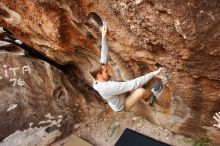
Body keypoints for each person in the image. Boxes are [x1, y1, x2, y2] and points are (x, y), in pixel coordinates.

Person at [90, 21, 164, 112]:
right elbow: (133, 84)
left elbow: (104, 56)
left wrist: (103, 37)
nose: (108, 71)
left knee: (128, 85)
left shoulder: (97, 77)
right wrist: (153, 74)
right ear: (98, 75)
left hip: (119, 94)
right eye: (105, 72)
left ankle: (134, 93)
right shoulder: (108, 87)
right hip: (122, 105)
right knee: (140, 91)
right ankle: (151, 96)